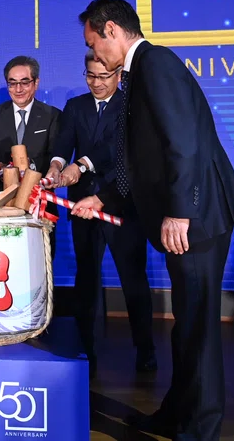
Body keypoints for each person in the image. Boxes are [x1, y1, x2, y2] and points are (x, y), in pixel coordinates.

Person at [72, 0, 234, 441]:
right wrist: (104, 199)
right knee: (186, 325)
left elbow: (184, 143)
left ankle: (199, 430)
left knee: (199, 328)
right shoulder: (141, 71)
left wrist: (180, 211)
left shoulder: (156, 63)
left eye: (94, 44)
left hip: (197, 219)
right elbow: (142, 161)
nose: (95, 54)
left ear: (111, 30)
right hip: (188, 217)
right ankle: (177, 415)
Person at [46, 51, 155, 379]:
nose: (96, 83)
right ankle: (86, 348)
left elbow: (113, 148)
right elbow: (63, 145)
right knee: (87, 278)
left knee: (132, 279)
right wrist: (56, 167)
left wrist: (80, 166)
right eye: (90, 75)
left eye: (103, 77)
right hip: (83, 207)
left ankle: (145, 349)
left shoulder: (131, 106)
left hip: (122, 203)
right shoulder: (75, 106)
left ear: (118, 75)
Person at [0, 56, 60, 256]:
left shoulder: (52, 115)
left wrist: (31, 168)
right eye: (12, 83)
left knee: (39, 259)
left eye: (24, 82)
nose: (18, 89)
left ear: (36, 83)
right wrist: (0, 168)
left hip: (39, 200)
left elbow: (57, 155)